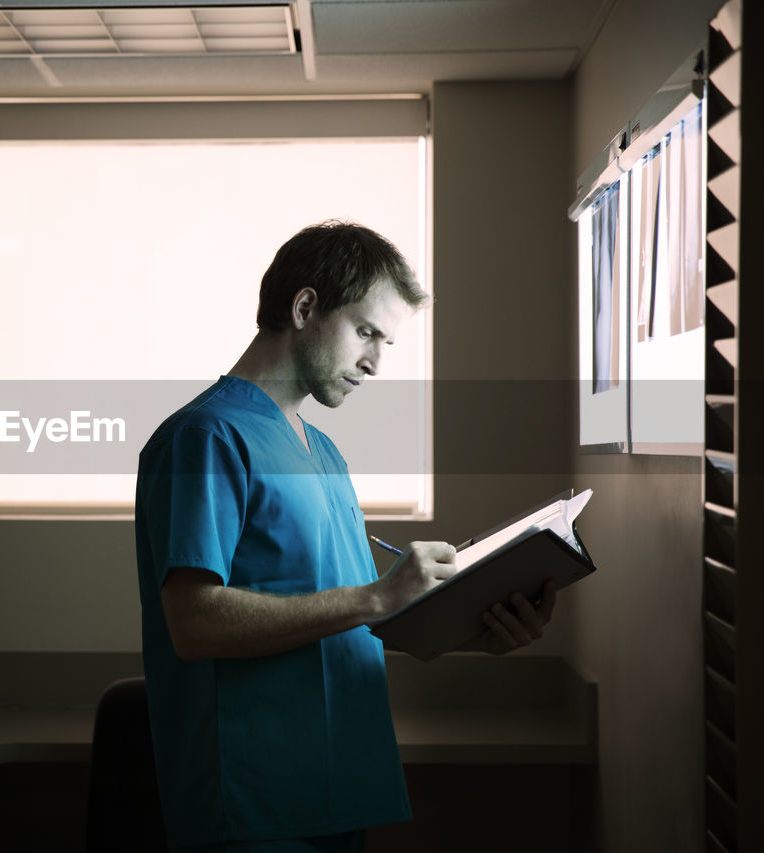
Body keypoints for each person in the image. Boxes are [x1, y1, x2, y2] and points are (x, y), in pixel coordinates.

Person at [133, 220, 556, 852]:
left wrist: (478, 628)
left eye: (386, 343)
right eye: (366, 333)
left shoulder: (323, 453)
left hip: (336, 786)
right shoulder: (206, 437)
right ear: (304, 307)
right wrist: (377, 597)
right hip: (252, 805)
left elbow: (357, 618)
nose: (375, 363)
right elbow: (194, 624)